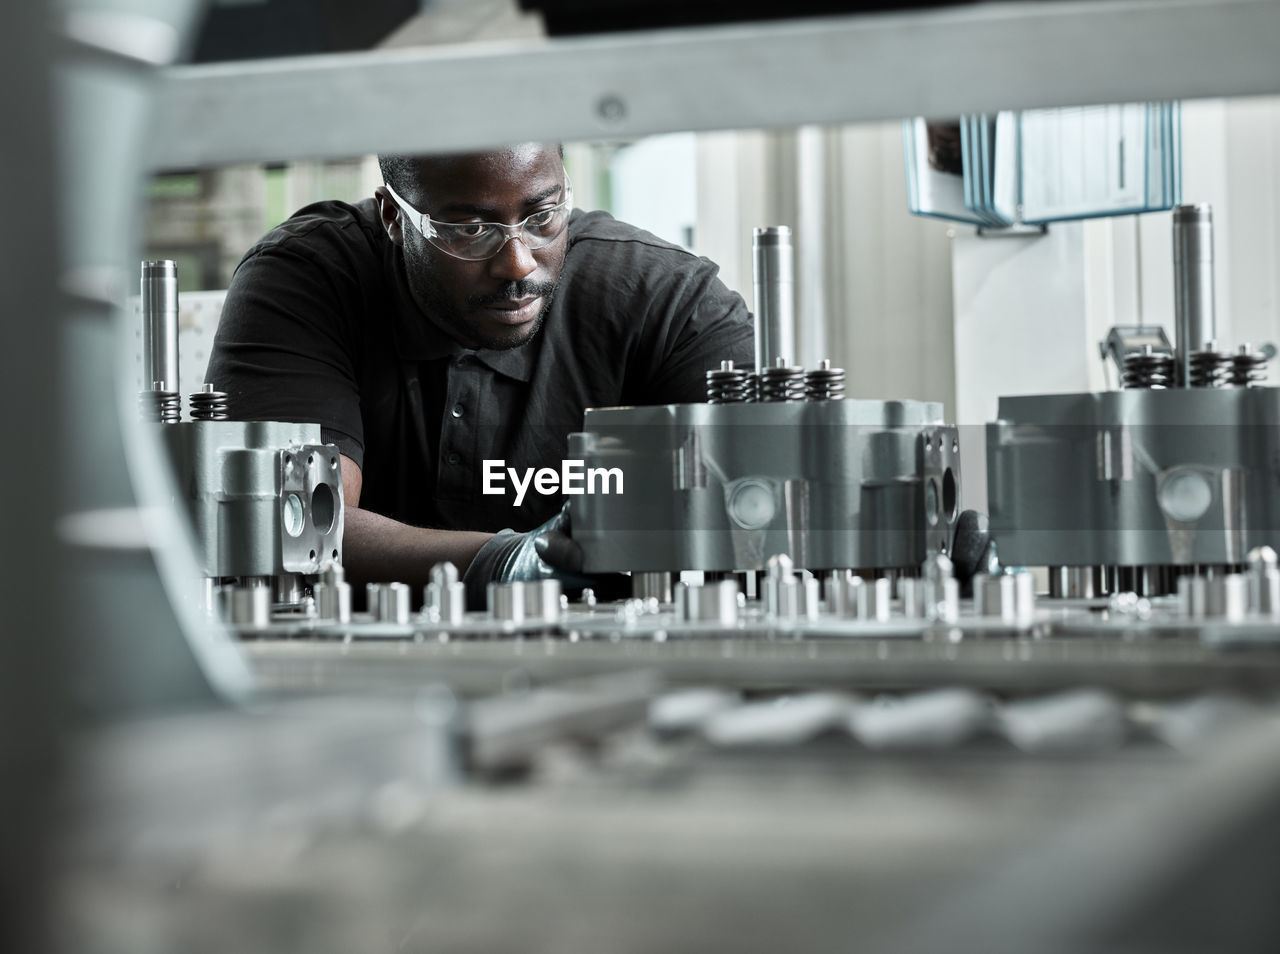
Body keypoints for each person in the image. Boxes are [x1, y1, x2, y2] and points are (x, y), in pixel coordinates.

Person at [207, 143, 755, 604]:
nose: (517, 262)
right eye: (469, 228)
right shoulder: (308, 281)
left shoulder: (667, 299)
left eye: (542, 216)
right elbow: (290, 521)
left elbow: (760, 511)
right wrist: (508, 561)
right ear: (395, 219)